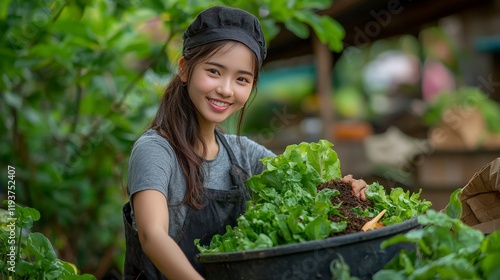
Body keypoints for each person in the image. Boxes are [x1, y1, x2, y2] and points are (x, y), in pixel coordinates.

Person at [122, 5, 367, 280]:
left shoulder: (243, 154)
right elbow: (152, 236)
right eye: (214, 71)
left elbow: (309, 190)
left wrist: (345, 192)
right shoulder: (155, 150)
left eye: (241, 79)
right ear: (185, 69)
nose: (226, 89)